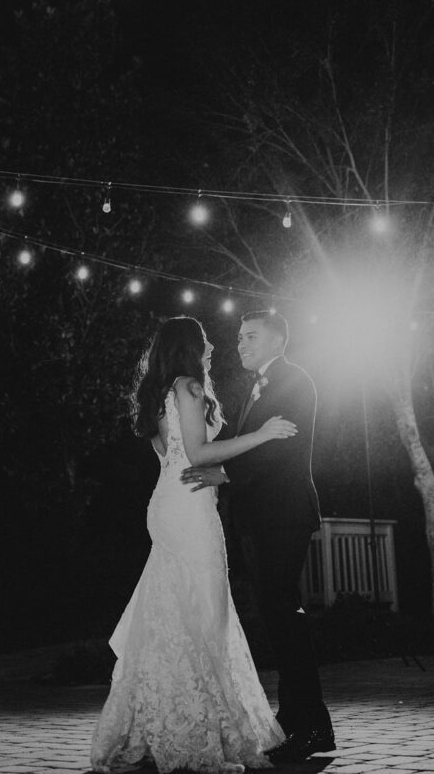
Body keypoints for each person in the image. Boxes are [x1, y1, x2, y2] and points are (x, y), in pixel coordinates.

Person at [90, 316, 295, 774]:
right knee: (202, 613)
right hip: (188, 509)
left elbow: (180, 454)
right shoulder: (188, 387)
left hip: (169, 502)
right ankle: (193, 732)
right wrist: (262, 435)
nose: (212, 348)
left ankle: (162, 724)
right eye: (204, 342)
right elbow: (199, 454)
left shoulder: (162, 391)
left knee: (174, 611)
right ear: (187, 348)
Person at [181, 310, 335, 764]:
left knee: (285, 616)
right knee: (278, 616)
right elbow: (253, 444)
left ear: (277, 341)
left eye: (251, 337)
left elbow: (279, 452)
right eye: (240, 337)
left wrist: (223, 474)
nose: (241, 344)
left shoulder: (294, 380)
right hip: (261, 518)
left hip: (284, 515)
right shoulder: (258, 386)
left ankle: (309, 727)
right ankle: (299, 722)